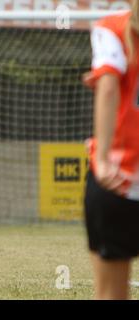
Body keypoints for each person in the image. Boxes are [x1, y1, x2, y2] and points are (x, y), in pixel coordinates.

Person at [82, 2, 139, 299]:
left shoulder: (111, 28)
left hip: (120, 178)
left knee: (110, 295)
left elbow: (108, 86)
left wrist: (102, 160)